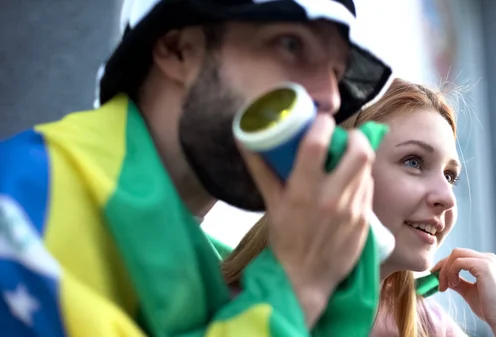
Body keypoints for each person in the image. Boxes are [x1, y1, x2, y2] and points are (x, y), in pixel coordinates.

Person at [0, 0, 394, 336]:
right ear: (177, 50)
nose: (329, 98)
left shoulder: (201, 264)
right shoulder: (29, 200)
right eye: (290, 45)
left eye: (337, 73)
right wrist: (296, 284)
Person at [221, 79, 496, 337]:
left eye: (450, 176)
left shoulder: (431, 328)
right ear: (342, 166)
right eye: (414, 161)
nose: (447, 198)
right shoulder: (233, 303)